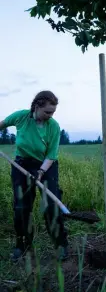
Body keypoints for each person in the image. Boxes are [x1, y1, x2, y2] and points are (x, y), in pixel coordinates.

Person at [0, 90, 69, 262]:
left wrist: (40, 172)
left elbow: (52, 154)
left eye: (53, 112)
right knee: (21, 207)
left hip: (46, 166)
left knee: (51, 205)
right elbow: (2, 124)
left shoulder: (53, 126)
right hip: (21, 164)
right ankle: (22, 245)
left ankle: (60, 245)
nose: (50, 115)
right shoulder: (21, 117)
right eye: (47, 112)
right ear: (37, 106)